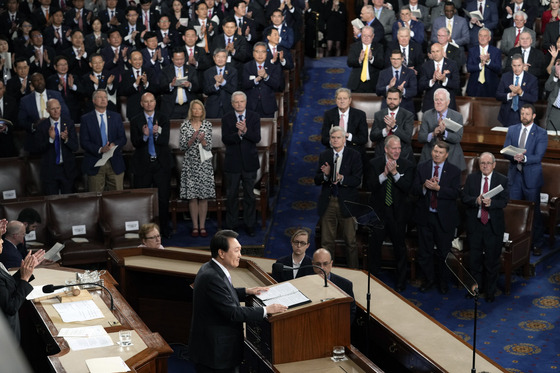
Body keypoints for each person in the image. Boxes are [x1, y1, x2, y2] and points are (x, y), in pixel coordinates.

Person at [188, 229, 287, 372]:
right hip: (216, 355)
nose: (240, 255)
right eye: (236, 250)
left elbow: (222, 295)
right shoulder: (212, 277)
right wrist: (266, 310)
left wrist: (246, 291)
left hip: (216, 350)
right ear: (221, 253)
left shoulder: (212, 268)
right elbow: (232, 313)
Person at [412, 141, 461, 294]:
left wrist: (439, 189)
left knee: (443, 252)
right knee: (424, 252)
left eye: (440, 152)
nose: (437, 155)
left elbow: (455, 193)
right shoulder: (422, 167)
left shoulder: (454, 171)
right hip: (425, 216)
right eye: (435, 151)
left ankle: (443, 282)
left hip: (444, 218)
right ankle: (429, 280)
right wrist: (424, 187)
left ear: (446, 155)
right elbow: (414, 190)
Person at [367, 136, 414, 292]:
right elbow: (370, 186)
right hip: (379, 213)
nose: (397, 151)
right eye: (394, 148)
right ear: (386, 149)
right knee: (374, 248)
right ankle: (373, 278)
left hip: (398, 214)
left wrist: (394, 174)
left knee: (400, 249)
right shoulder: (375, 163)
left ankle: (401, 282)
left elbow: (407, 188)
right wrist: (383, 174)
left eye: (399, 148)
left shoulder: (407, 165)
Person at [462, 152, 509, 302]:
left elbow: (505, 201)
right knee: (474, 260)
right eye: (482, 163)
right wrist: (476, 201)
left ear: (494, 165)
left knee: (491, 262)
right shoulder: (472, 178)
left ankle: (490, 292)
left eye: (488, 163)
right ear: (479, 164)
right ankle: (475, 290)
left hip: (492, 226)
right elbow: (464, 198)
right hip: (475, 226)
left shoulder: (502, 180)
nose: (485, 166)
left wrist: (492, 204)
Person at [315, 126, 363, 269]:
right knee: (327, 242)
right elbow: (317, 180)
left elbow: (357, 180)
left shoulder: (354, 155)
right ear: (330, 140)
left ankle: (354, 271)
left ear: (344, 139)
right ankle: (327, 275)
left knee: (350, 241)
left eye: (338, 138)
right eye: (333, 138)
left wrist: (341, 178)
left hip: (346, 203)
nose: (335, 140)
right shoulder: (325, 155)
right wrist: (326, 175)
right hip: (328, 202)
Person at [503, 104, 548, 255]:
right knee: (514, 211)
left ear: (534, 116)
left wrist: (524, 157)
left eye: (527, 114)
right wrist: (513, 155)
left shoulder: (541, 133)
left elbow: (538, 156)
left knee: (533, 213)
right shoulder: (512, 129)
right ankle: (514, 244)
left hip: (531, 178)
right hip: (515, 176)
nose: (524, 116)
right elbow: (505, 150)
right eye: (522, 114)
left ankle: (536, 243)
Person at [130, 92, 173, 238]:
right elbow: (135, 143)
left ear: (155, 102)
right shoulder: (135, 120)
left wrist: (155, 134)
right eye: (146, 102)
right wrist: (144, 136)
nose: (149, 104)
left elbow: (164, 141)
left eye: (151, 101)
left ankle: (164, 231)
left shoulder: (163, 118)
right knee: (143, 200)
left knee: (162, 199)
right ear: (142, 103)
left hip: (161, 164)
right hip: (143, 165)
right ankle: (145, 233)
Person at [222, 91, 261, 236]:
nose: (239, 104)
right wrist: (238, 135)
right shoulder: (226, 118)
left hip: (249, 163)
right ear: (232, 104)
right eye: (236, 102)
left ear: (246, 102)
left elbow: (256, 138)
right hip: (232, 163)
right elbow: (225, 139)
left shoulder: (254, 117)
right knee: (231, 195)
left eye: (241, 102)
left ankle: (250, 224)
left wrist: (245, 131)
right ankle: (231, 226)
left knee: (249, 196)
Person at [0, 219, 42, 341]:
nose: (2, 241)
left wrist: (25, 270)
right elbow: (11, 307)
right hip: (7, 335)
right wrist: (24, 278)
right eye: (0, 239)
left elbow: (7, 285)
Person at [179, 100, 215, 238]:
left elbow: (209, 146)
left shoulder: (207, 125)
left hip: (204, 164)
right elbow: (182, 146)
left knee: (203, 197)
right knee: (193, 197)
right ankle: (195, 226)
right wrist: (192, 139)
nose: (196, 111)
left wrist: (203, 141)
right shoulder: (185, 125)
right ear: (191, 111)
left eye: (199, 109)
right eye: (194, 109)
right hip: (190, 164)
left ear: (202, 111)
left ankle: (203, 226)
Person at [79, 89, 126, 192]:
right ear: (94, 100)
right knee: (96, 198)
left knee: (118, 198)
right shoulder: (86, 119)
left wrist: (114, 144)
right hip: (95, 162)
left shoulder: (116, 117)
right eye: (100, 97)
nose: (104, 99)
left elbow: (123, 138)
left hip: (115, 162)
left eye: (105, 97)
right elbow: (84, 142)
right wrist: (100, 149)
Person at [18, 72, 70, 154]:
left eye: (41, 79)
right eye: (36, 80)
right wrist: (34, 125)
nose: (39, 82)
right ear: (32, 84)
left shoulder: (56, 95)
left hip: (57, 136)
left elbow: (66, 113)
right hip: (36, 140)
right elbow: (21, 121)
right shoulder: (25, 100)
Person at [34, 98, 78, 195]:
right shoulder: (42, 126)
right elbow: (38, 149)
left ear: (61, 108)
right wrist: (51, 139)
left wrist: (66, 139)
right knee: (52, 201)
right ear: (47, 110)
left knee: (67, 201)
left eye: (58, 108)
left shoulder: (69, 123)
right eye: (53, 109)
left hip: (66, 170)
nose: (56, 111)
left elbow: (75, 147)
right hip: (50, 170)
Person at [418, 88, 466, 170]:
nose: (438, 102)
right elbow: (421, 137)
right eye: (436, 100)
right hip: (430, 153)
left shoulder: (457, 116)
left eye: (441, 100)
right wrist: (433, 134)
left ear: (448, 102)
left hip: (451, 155)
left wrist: (444, 133)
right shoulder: (427, 115)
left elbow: (458, 138)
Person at [371, 87, 415, 164]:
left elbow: (407, 138)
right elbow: (372, 137)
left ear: (400, 100)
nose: (392, 101)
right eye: (390, 98)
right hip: (382, 154)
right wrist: (386, 130)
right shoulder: (379, 115)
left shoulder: (408, 115)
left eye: (395, 99)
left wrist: (394, 127)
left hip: (402, 155)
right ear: (386, 99)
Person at [312, 248, 356, 324]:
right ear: (313, 264)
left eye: (325, 264)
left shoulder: (345, 285)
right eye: (318, 264)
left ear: (331, 264)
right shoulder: (305, 283)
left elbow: (351, 312)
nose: (321, 268)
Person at [321, 88, 368, 156]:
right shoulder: (329, 114)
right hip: (334, 150)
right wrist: (335, 140)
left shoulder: (360, 115)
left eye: (345, 98)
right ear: (336, 100)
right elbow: (324, 139)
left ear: (350, 100)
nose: (342, 101)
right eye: (339, 98)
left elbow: (363, 139)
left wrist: (348, 135)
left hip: (353, 149)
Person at [496, 54, 538, 127]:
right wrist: (509, 95)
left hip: (524, 115)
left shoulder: (532, 79)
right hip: (508, 114)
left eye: (519, 65)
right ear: (511, 65)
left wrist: (521, 93)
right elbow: (498, 95)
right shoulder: (505, 77)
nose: (516, 68)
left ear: (523, 65)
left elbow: (534, 98)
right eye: (514, 66)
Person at [242, 42, 281, 118]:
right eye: (257, 52)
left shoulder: (273, 67)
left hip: (268, 105)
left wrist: (266, 76)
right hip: (251, 105)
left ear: (266, 54)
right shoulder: (247, 66)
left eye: (263, 52)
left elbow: (277, 85)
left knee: (268, 129)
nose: (260, 55)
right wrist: (255, 80)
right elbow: (244, 84)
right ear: (253, 53)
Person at [418, 42, 459, 112]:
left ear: (442, 51)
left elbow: (456, 84)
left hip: (448, 105)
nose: (435, 54)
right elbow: (421, 86)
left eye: (437, 51)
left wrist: (444, 80)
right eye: (433, 52)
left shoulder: (452, 64)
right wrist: (432, 80)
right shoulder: (425, 66)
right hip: (430, 105)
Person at [160, 48, 200, 119]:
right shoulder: (165, 70)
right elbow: (161, 87)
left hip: (188, 107)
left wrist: (189, 85)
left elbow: (198, 86)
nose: (179, 61)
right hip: (171, 108)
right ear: (172, 59)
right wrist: (171, 85)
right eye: (177, 59)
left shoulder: (191, 70)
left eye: (181, 59)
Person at [376, 50, 417, 115]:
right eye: (393, 59)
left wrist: (403, 90)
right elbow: (378, 91)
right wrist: (388, 87)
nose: (395, 61)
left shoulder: (410, 73)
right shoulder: (383, 73)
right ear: (390, 59)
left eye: (398, 59)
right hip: (388, 108)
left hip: (406, 108)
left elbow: (414, 91)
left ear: (402, 59)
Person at [347, 25, 385, 93]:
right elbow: (349, 62)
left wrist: (371, 58)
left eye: (369, 36)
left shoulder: (379, 47)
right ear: (361, 35)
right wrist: (359, 59)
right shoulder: (354, 46)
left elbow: (381, 64)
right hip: (357, 84)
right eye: (364, 35)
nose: (366, 38)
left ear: (373, 36)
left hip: (373, 83)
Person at [466, 28, 502, 98]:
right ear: (478, 37)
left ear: (489, 38)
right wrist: (480, 65)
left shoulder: (496, 51)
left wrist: (488, 61)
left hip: (491, 86)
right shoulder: (472, 51)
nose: (482, 38)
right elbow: (469, 68)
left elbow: (498, 69)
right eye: (480, 35)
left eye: (485, 36)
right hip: (475, 86)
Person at [203, 48, 238, 118]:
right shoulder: (208, 72)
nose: (220, 59)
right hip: (212, 108)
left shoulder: (233, 71)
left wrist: (223, 82)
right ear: (214, 58)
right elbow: (205, 91)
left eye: (223, 57)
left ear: (227, 58)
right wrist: (215, 86)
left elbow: (234, 90)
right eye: (218, 56)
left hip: (228, 107)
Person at [545, 60, 560, 130]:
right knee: (551, 136)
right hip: (554, 110)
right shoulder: (556, 68)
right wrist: (556, 76)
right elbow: (548, 88)